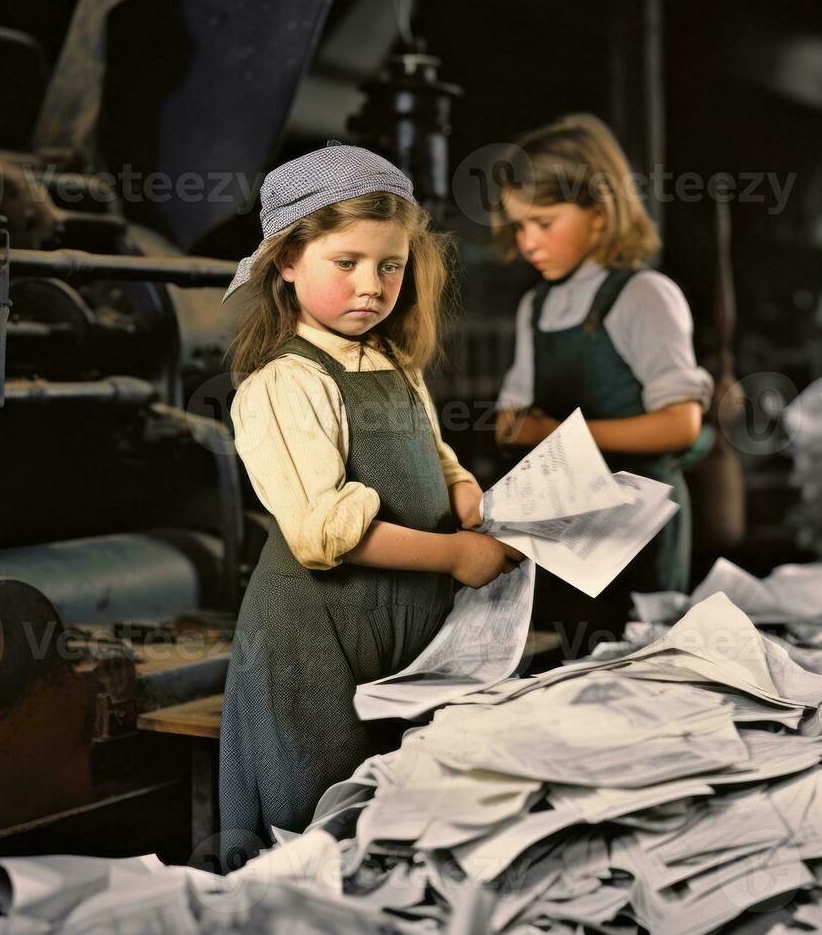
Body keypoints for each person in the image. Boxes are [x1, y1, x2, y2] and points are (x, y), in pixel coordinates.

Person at [218, 144, 523, 861]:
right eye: (345, 263)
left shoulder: (393, 362)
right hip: (317, 636)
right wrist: (454, 553)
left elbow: (433, 454)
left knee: (403, 804)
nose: (371, 286)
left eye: (389, 266)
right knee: (319, 817)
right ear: (287, 262)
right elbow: (325, 532)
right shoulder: (283, 383)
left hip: (406, 624)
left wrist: (463, 492)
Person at [493, 114, 715, 652]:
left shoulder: (644, 295)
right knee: (567, 656)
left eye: (543, 223)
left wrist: (559, 433)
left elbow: (681, 425)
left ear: (599, 211)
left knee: (636, 659)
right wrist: (519, 429)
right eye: (519, 227)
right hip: (567, 525)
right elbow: (511, 420)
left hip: (639, 528)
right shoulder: (535, 306)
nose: (528, 243)